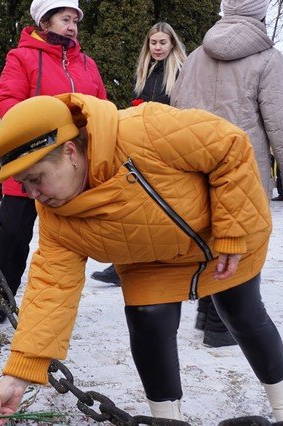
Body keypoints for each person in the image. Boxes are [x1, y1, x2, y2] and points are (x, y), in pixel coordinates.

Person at [0, 93, 283, 423]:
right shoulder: (56, 217)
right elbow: (50, 292)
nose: (32, 193)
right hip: (149, 260)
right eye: (23, 184)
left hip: (222, 237)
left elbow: (230, 146)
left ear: (70, 151)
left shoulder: (143, 129)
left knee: (242, 313)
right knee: (148, 324)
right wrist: (17, 374)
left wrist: (232, 231)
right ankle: (166, 417)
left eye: (36, 178)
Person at [170, 0, 283, 348]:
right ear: (260, 14)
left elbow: (175, 112)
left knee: (209, 235)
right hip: (243, 167)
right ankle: (221, 328)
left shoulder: (197, 56)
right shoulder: (267, 59)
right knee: (243, 244)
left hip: (196, 166)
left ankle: (208, 313)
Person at [0, 0, 106, 323]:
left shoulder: (88, 64)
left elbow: (101, 106)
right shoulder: (21, 57)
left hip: (73, 170)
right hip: (31, 166)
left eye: (75, 20)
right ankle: (0, 298)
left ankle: (53, 306)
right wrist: (36, 133)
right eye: (64, 19)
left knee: (66, 241)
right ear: (45, 22)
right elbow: (7, 100)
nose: (71, 26)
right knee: (14, 237)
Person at [92, 22, 186, 286]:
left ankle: (167, 262)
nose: (157, 47)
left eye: (162, 43)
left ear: (172, 44)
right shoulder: (145, 70)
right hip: (143, 144)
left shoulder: (181, 71)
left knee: (164, 207)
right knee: (137, 206)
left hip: (168, 147)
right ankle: (126, 263)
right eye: (153, 43)